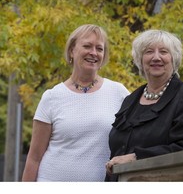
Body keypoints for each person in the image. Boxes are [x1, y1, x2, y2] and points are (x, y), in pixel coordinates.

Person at [22, 24, 130, 182]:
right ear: (72, 50)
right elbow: (34, 158)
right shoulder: (51, 97)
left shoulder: (119, 93)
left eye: (99, 48)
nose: (93, 53)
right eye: (87, 46)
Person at [105, 29, 183, 181]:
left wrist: (136, 157)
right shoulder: (130, 100)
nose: (156, 57)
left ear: (174, 59)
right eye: (149, 52)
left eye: (164, 52)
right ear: (140, 59)